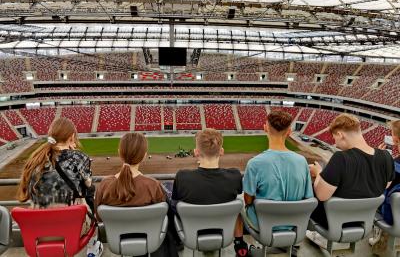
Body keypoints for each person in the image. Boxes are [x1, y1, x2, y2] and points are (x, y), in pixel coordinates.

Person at [17, 117, 102, 257]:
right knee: (89, 195)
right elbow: (87, 184)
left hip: (38, 232)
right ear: (71, 137)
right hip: (71, 229)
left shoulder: (35, 161)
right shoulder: (79, 157)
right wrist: (75, 155)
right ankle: (93, 248)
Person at [308, 114, 395, 232]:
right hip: (364, 220)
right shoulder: (386, 156)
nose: (336, 144)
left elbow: (322, 195)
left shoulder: (341, 158)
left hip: (333, 221)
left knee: (309, 192)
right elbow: (385, 185)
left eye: (335, 138)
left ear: (340, 134)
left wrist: (318, 172)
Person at [94, 132, 176, 257]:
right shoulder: (153, 186)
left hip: (118, 240)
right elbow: (163, 216)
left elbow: (100, 218)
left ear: (119, 153)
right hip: (148, 238)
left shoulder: (104, 185)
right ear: (144, 156)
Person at [171, 128, 247, 256]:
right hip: (224, 233)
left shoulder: (182, 177)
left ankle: (177, 242)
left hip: (192, 234)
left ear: (196, 152)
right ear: (221, 151)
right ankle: (239, 243)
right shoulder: (235, 176)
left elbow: (174, 204)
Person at [242, 110, 313, 233]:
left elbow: (248, 200)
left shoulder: (254, 163)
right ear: (289, 132)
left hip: (263, 224)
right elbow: (307, 197)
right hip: (294, 224)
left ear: (265, 128)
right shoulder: (302, 161)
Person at [369, 119, 400, 252]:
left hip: (393, 216)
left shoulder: (395, 165)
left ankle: (379, 238)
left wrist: (379, 161)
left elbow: (378, 185)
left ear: (396, 140)